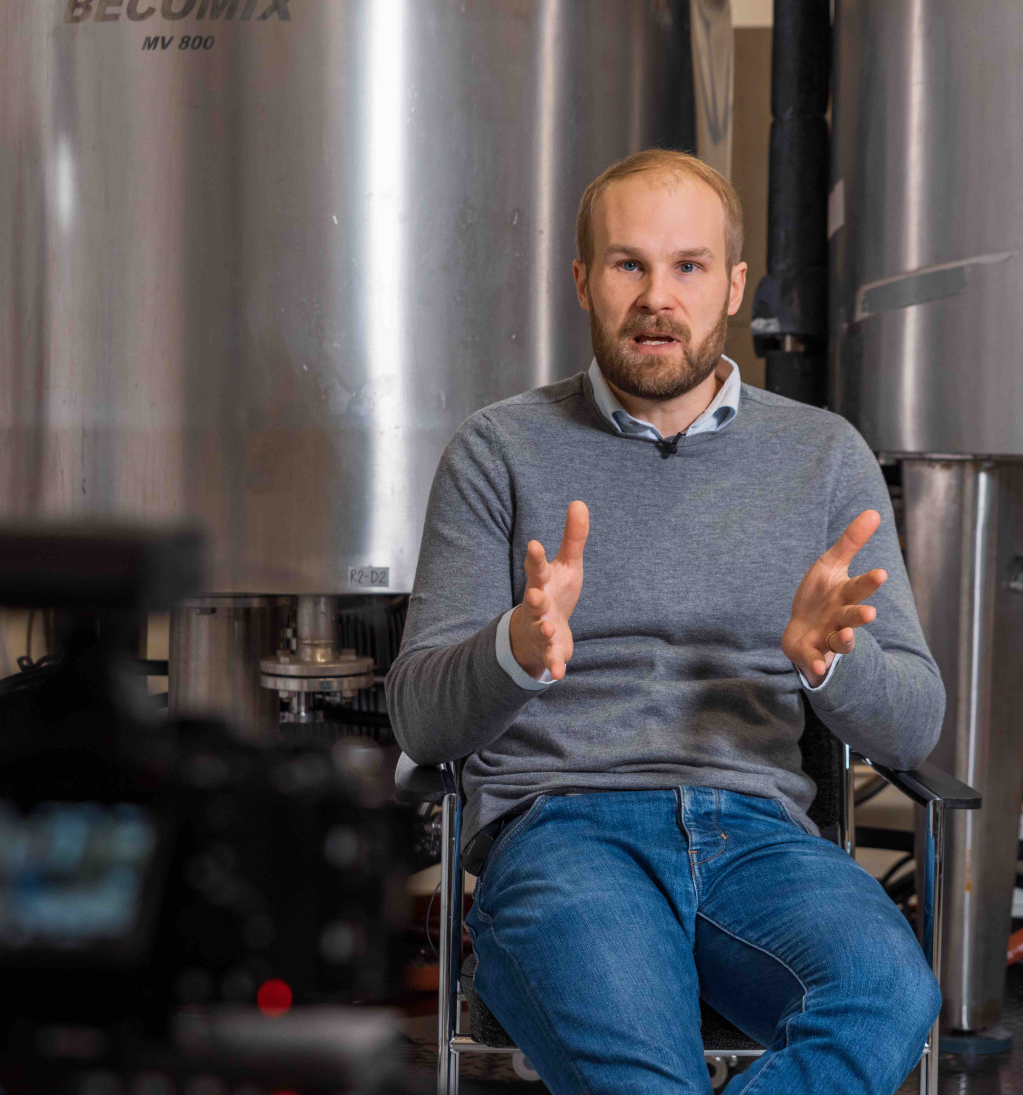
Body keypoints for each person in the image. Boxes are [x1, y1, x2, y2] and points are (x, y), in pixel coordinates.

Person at [386, 149, 945, 1094]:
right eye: (627, 263)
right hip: (561, 831)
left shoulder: (822, 455)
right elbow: (418, 721)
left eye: (688, 266)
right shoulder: (499, 449)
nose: (657, 296)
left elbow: (917, 720)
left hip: (760, 839)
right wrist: (513, 653)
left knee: (888, 993)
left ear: (731, 286)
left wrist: (828, 667)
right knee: (644, 1076)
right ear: (582, 281)